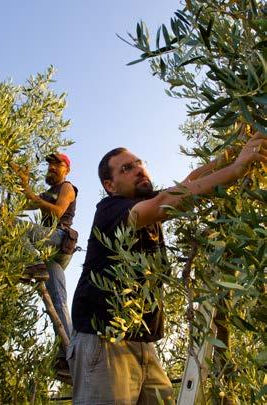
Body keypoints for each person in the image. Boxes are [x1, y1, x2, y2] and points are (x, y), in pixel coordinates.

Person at [69, 132, 267, 404]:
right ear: (110, 185)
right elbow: (168, 203)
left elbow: (188, 183)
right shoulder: (111, 209)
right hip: (104, 340)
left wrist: (226, 157)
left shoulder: (148, 204)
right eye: (127, 169)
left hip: (142, 341)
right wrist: (235, 169)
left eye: (139, 163)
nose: (138, 170)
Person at [11, 153, 78, 380]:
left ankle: (32, 264)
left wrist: (32, 195)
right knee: (59, 303)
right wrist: (23, 180)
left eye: (56, 164)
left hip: (59, 238)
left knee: (15, 226)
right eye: (49, 163)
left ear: (66, 169)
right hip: (52, 253)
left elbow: (59, 211)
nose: (51, 167)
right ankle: (68, 356)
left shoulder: (67, 187)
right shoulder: (47, 193)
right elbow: (25, 202)